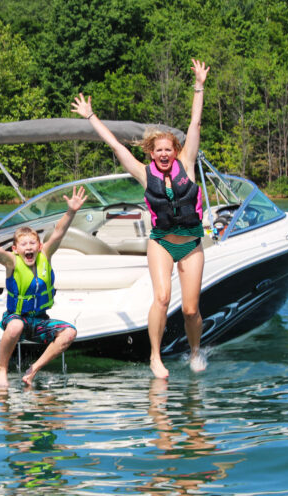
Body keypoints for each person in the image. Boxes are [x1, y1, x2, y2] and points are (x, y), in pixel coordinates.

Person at [71, 59, 210, 379]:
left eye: (168, 150)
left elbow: (195, 124)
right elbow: (115, 145)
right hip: (161, 242)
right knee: (161, 297)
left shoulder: (187, 164)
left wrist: (199, 85)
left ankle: (194, 351)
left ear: (176, 151)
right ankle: (154, 357)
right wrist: (91, 116)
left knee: (190, 310)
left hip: (190, 243)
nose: (164, 154)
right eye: (158, 150)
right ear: (151, 153)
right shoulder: (145, 174)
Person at [0, 186, 87, 387]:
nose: (29, 247)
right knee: (16, 325)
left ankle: (32, 371)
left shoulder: (45, 256)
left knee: (69, 332)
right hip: (15, 318)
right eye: (24, 244)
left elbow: (58, 232)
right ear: (15, 249)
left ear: (40, 246)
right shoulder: (11, 262)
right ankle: (2, 368)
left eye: (33, 243)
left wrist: (71, 211)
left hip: (39, 321)